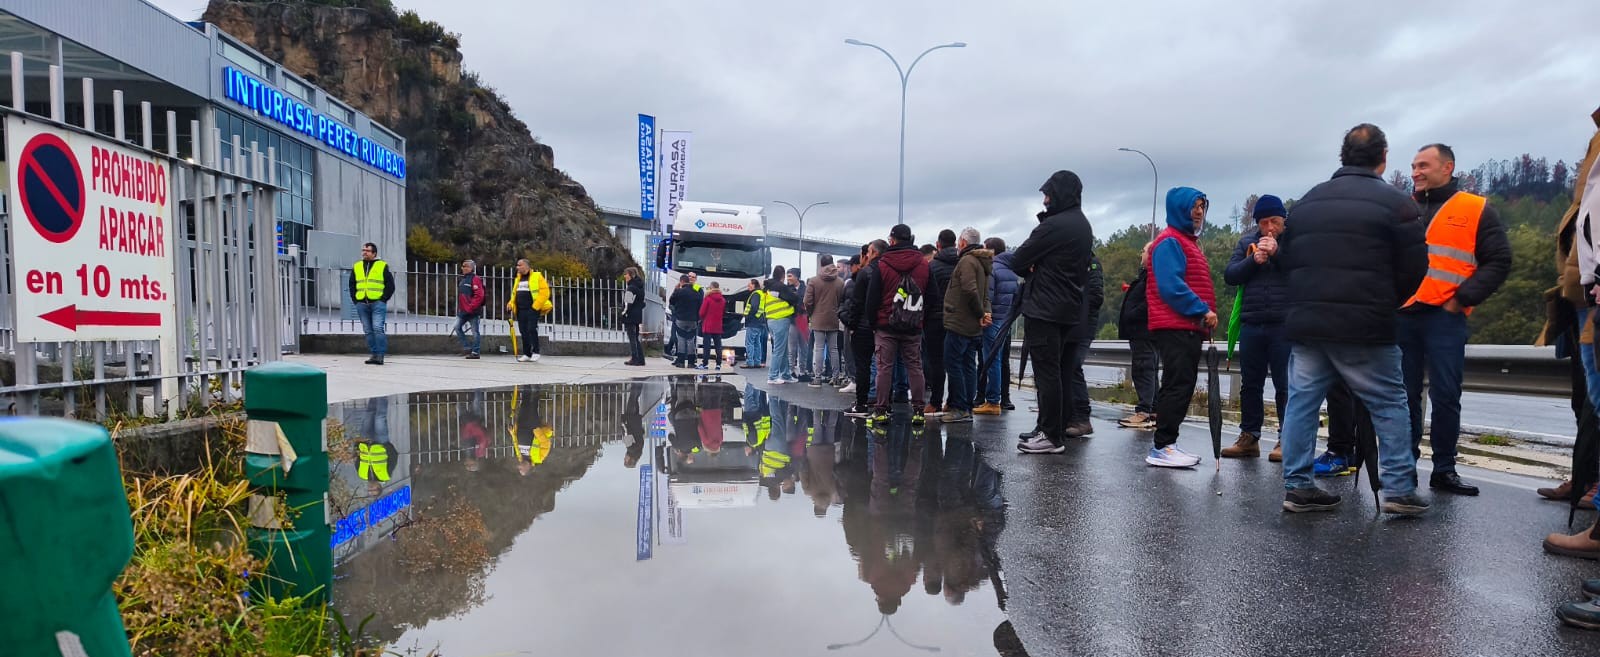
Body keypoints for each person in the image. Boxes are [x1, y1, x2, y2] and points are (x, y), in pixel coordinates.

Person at [1277, 123, 1429, 515]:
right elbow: (1415, 268)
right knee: (1389, 402)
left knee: (1302, 404)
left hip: (1309, 323)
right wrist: (1385, 302)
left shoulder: (1307, 203)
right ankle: (1399, 488)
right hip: (1366, 325)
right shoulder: (1397, 204)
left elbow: (1287, 261)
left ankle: (1298, 485)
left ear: (1343, 156)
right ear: (1384, 158)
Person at [1400, 143, 1513, 497]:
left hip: (1445, 316)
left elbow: (1499, 260)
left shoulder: (1475, 208)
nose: (1416, 172)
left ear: (1447, 167)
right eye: (1413, 166)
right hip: (1403, 315)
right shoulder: (1401, 208)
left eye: (1423, 165)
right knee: (1403, 396)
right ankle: (1403, 468)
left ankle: (1444, 469)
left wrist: (1462, 299)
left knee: (1446, 394)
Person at [1012, 170, 1095, 454]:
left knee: (1046, 373)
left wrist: (1033, 267)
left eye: (1048, 194)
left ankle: (1050, 435)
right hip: (1070, 308)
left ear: (1058, 194)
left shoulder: (1053, 225)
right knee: (1060, 372)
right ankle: (1051, 427)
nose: (1045, 200)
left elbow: (1018, 260)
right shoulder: (1083, 225)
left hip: (1045, 308)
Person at [1143, 187, 1217, 468]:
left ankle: (1167, 443)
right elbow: (1171, 286)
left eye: (1202, 206)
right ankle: (1163, 446)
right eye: (1193, 206)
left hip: (1186, 326)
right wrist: (1202, 309)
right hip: (1176, 325)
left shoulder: (1186, 242)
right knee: (1177, 385)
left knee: (1180, 384)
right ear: (1179, 209)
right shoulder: (1170, 242)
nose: (1199, 211)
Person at [1220, 195, 1291, 459]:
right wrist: (1253, 261)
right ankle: (1249, 436)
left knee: (1286, 385)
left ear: (1283, 219)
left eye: (1274, 221)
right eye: (1263, 222)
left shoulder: (1293, 242)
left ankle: (1287, 438)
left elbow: (1302, 271)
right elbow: (1230, 275)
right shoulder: (1247, 242)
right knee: (1250, 384)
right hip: (1252, 322)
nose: (1269, 227)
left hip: (1284, 324)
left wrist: (1277, 254)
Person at [864, 224, 937, 425]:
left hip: (886, 324)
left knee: (884, 368)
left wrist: (874, 323)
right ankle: (919, 411)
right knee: (915, 366)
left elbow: (872, 298)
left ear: (892, 240)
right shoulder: (924, 264)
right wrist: (920, 316)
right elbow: (933, 296)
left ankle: (881, 410)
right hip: (913, 325)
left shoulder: (882, 264)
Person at [941, 227, 994, 424]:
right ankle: (967, 407)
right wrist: (985, 313)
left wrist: (980, 313)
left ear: (963, 242)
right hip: (973, 325)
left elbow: (970, 290)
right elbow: (984, 294)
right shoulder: (982, 262)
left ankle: (960, 407)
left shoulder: (967, 261)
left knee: (953, 363)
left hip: (960, 322)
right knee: (968, 365)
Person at [1117, 243, 1159, 429]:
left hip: (1143, 330)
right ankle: (1154, 410)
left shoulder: (1153, 277)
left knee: (1143, 369)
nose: (1141, 254)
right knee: (1149, 369)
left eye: (1144, 251)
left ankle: (1144, 412)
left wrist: (1132, 314)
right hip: (1144, 331)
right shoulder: (1148, 276)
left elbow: (1151, 302)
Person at [1064, 256, 1103, 436]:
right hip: (1071, 322)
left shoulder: (1091, 263)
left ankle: (1081, 417)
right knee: (1066, 367)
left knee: (1074, 366)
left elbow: (1095, 296)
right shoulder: (1073, 260)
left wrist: (1078, 310)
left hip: (1083, 323)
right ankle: (1068, 416)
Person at [977, 237, 1018, 415]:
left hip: (993, 320)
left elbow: (989, 296)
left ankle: (992, 400)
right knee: (1001, 360)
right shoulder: (1011, 271)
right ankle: (1001, 398)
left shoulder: (993, 269)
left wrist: (983, 314)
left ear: (992, 251)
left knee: (991, 360)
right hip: (1006, 320)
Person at [846, 241, 885, 416]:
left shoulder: (865, 273)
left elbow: (857, 303)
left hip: (863, 326)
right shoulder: (889, 271)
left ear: (874, 252)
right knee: (884, 366)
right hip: (884, 325)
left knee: (862, 366)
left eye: (868, 251)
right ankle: (884, 404)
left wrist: (852, 325)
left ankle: (861, 404)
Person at [925, 229, 960, 415]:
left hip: (935, 319)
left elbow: (927, 294)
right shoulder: (962, 263)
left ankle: (935, 401)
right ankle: (954, 401)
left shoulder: (932, 266)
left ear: (938, 245)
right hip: (957, 318)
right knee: (955, 361)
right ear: (955, 244)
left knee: (936, 362)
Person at [349, 242, 395, 365]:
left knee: (378, 328)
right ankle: (374, 354)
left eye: (367, 251)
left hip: (377, 303)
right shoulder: (357, 266)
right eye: (363, 250)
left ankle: (380, 355)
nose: (364, 252)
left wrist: (383, 299)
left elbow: (390, 285)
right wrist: (355, 300)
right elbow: (352, 284)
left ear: (374, 253)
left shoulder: (382, 265)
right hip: (362, 303)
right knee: (368, 330)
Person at [805, 255, 847, 387]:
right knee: (834, 349)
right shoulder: (840, 282)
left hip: (817, 318)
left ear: (821, 265)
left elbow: (807, 301)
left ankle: (817, 379)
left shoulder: (814, 281)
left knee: (818, 348)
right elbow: (842, 300)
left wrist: (811, 313)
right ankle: (836, 378)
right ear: (832, 263)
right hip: (834, 317)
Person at [506, 259, 552, 363]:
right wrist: (511, 304)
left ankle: (536, 351)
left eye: (520, 265)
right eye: (517, 265)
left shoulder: (537, 276)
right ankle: (527, 353)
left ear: (526, 266)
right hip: (520, 309)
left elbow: (545, 292)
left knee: (532, 329)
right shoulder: (518, 278)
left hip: (532, 308)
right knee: (523, 331)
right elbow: (514, 294)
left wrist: (536, 306)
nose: (517, 267)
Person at [764, 265, 801, 384]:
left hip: (771, 319)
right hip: (781, 319)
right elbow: (794, 299)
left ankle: (785, 375)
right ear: (783, 275)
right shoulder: (781, 287)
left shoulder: (768, 287)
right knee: (779, 350)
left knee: (783, 349)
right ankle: (772, 376)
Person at [728, 279, 767, 369]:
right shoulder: (761, 293)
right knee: (757, 343)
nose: (748, 286)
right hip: (760, 322)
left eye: (749, 285)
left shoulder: (755, 294)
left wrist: (748, 316)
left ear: (754, 285)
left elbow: (753, 307)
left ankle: (750, 362)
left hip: (753, 322)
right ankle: (757, 362)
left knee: (749, 343)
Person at [453, 259, 486, 359]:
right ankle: (467, 347)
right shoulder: (463, 279)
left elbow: (479, 295)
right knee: (457, 327)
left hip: (472, 311)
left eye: (465, 266)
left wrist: (471, 307)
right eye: (463, 266)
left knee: (475, 332)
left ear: (471, 268)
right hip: (463, 310)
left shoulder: (475, 279)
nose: (463, 268)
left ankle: (475, 352)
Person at [668, 275, 703, 368]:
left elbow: (671, 302)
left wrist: (676, 290)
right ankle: (691, 362)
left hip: (681, 319)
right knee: (691, 340)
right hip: (693, 320)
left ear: (681, 282)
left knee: (681, 339)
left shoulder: (679, 291)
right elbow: (701, 305)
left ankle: (681, 361)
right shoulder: (696, 292)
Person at [788, 267, 813, 381]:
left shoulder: (806, 289)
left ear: (797, 277)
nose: (788, 278)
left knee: (804, 347)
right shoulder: (787, 289)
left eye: (790, 276)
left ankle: (802, 371)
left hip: (803, 321)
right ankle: (791, 370)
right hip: (792, 321)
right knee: (791, 348)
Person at [698, 282, 726, 369]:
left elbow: (702, 312)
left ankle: (705, 364)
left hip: (708, 325)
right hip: (718, 325)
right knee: (718, 345)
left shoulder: (708, 298)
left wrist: (703, 318)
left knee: (707, 345)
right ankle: (718, 364)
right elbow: (723, 312)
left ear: (711, 288)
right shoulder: (722, 300)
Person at [622, 267, 646, 366]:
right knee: (636, 337)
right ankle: (641, 359)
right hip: (638, 314)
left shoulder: (631, 287)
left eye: (626, 274)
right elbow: (642, 302)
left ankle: (634, 358)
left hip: (630, 315)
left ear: (631, 275)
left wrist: (623, 313)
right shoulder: (640, 287)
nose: (625, 276)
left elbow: (627, 302)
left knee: (632, 337)